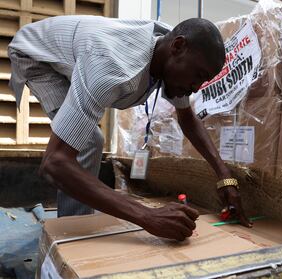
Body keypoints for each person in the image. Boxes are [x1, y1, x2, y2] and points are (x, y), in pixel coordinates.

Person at [8, 15, 252, 241]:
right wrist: (147, 216)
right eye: (198, 75)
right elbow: (54, 163)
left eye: (204, 80)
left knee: (86, 139)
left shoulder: (168, 51)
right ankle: (72, 235)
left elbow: (187, 118)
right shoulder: (112, 69)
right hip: (36, 56)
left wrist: (224, 176)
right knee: (89, 140)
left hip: (79, 51)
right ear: (177, 47)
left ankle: (76, 222)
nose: (197, 88)